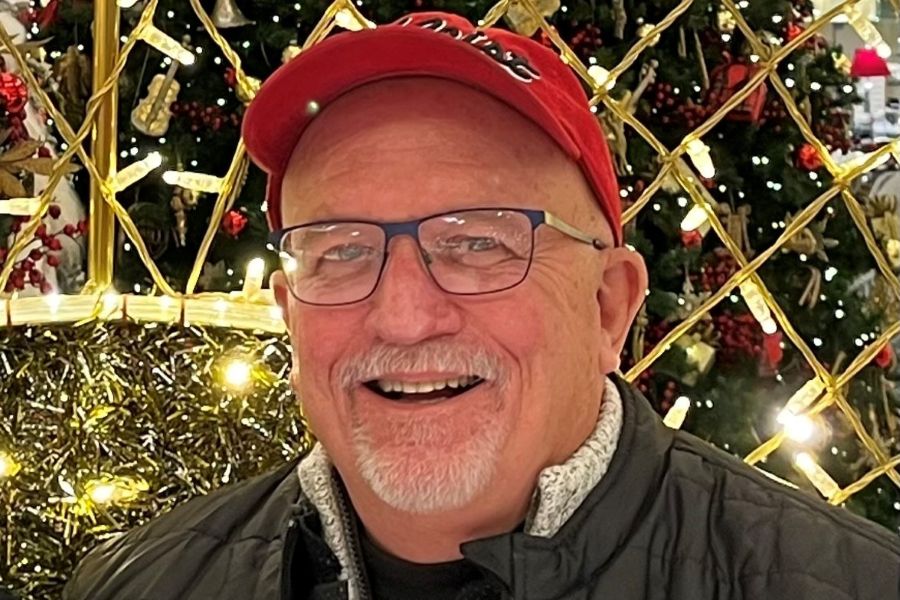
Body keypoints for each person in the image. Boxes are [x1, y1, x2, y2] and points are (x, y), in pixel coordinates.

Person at [64, 10, 900, 600]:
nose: (403, 317)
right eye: (341, 252)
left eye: (477, 243)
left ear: (608, 307)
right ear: (290, 310)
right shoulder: (140, 582)